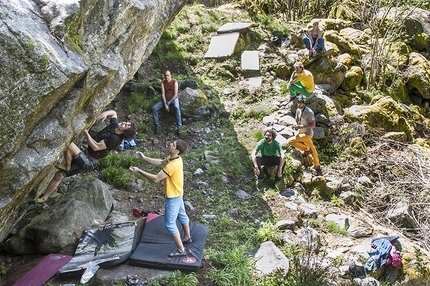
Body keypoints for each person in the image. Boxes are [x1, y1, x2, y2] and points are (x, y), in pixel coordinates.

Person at [34, 110, 137, 203]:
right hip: (86, 153)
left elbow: (96, 147)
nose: (123, 123)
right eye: (126, 123)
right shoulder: (115, 126)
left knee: (69, 145)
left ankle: (68, 167)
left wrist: (86, 133)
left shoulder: (114, 140)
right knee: (59, 175)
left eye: (125, 125)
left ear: (124, 132)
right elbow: (114, 113)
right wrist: (106, 113)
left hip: (89, 161)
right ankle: (44, 198)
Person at [129, 139, 191, 257]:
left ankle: (180, 249)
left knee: (169, 224)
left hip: (173, 197)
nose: (170, 144)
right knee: (182, 215)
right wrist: (144, 158)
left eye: (173, 144)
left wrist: (139, 171)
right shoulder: (175, 158)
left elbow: (156, 179)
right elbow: (160, 162)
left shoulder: (173, 165)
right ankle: (187, 237)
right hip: (178, 193)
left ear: (176, 150)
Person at [287, 95, 322, 176]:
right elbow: (297, 120)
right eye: (298, 102)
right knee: (312, 149)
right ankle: (317, 165)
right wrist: (295, 126)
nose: (299, 104)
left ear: (304, 103)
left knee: (290, 141)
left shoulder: (309, 112)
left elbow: (313, 125)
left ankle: (306, 149)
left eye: (301, 103)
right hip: (301, 132)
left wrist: (302, 127)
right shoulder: (298, 110)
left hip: (307, 134)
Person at [152, 70, 182, 136]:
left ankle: (179, 127)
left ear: (170, 75)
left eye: (168, 75)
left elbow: (175, 94)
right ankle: (157, 126)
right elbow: (163, 94)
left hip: (173, 99)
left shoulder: (174, 82)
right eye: (165, 75)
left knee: (177, 108)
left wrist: (168, 103)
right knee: (154, 108)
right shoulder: (163, 82)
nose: (166, 77)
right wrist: (165, 104)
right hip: (165, 99)